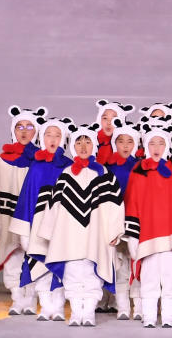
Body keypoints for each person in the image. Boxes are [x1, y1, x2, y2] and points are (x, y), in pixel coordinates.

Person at [37, 122, 124, 327]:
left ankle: (89, 311)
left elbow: (115, 206)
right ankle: (76, 311)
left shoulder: (104, 174)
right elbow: (55, 205)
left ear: (94, 144)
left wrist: (115, 231)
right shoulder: (66, 174)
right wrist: (51, 234)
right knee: (73, 270)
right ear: (72, 146)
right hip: (69, 235)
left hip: (97, 234)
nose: (83, 146)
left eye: (87, 141)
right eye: (78, 142)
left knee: (92, 271)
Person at [124, 120, 172, 328]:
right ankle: (149, 317)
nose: (156, 148)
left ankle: (167, 316)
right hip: (147, 236)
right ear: (146, 146)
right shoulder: (138, 172)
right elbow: (132, 204)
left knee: (171, 278)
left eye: (161, 144)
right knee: (148, 278)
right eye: (152, 144)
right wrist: (133, 236)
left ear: (167, 146)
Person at [0, 105, 44, 315]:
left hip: (34, 218)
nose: (24, 131)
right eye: (19, 127)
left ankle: (31, 298)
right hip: (9, 216)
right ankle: (17, 298)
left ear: (37, 131)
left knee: (33, 257)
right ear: (13, 130)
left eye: (29, 127)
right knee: (13, 257)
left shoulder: (41, 160)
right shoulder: (3, 159)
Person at [9, 114, 73, 321]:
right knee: (40, 266)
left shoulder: (68, 167)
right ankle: (46, 306)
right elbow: (27, 197)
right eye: (48, 135)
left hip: (61, 229)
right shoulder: (36, 166)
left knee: (60, 267)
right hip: (36, 227)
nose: (52, 139)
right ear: (42, 138)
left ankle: (59, 306)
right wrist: (24, 231)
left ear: (63, 138)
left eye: (57, 135)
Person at [102, 120, 141, 320]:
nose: (125, 146)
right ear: (114, 144)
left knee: (137, 263)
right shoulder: (107, 169)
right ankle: (122, 305)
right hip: (115, 224)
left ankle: (140, 305)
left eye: (130, 141)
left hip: (137, 224)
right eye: (121, 141)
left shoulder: (141, 168)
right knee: (118, 265)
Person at [93, 99, 134, 164]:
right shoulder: (91, 141)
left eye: (114, 119)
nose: (109, 123)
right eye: (105, 118)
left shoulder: (130, 143)